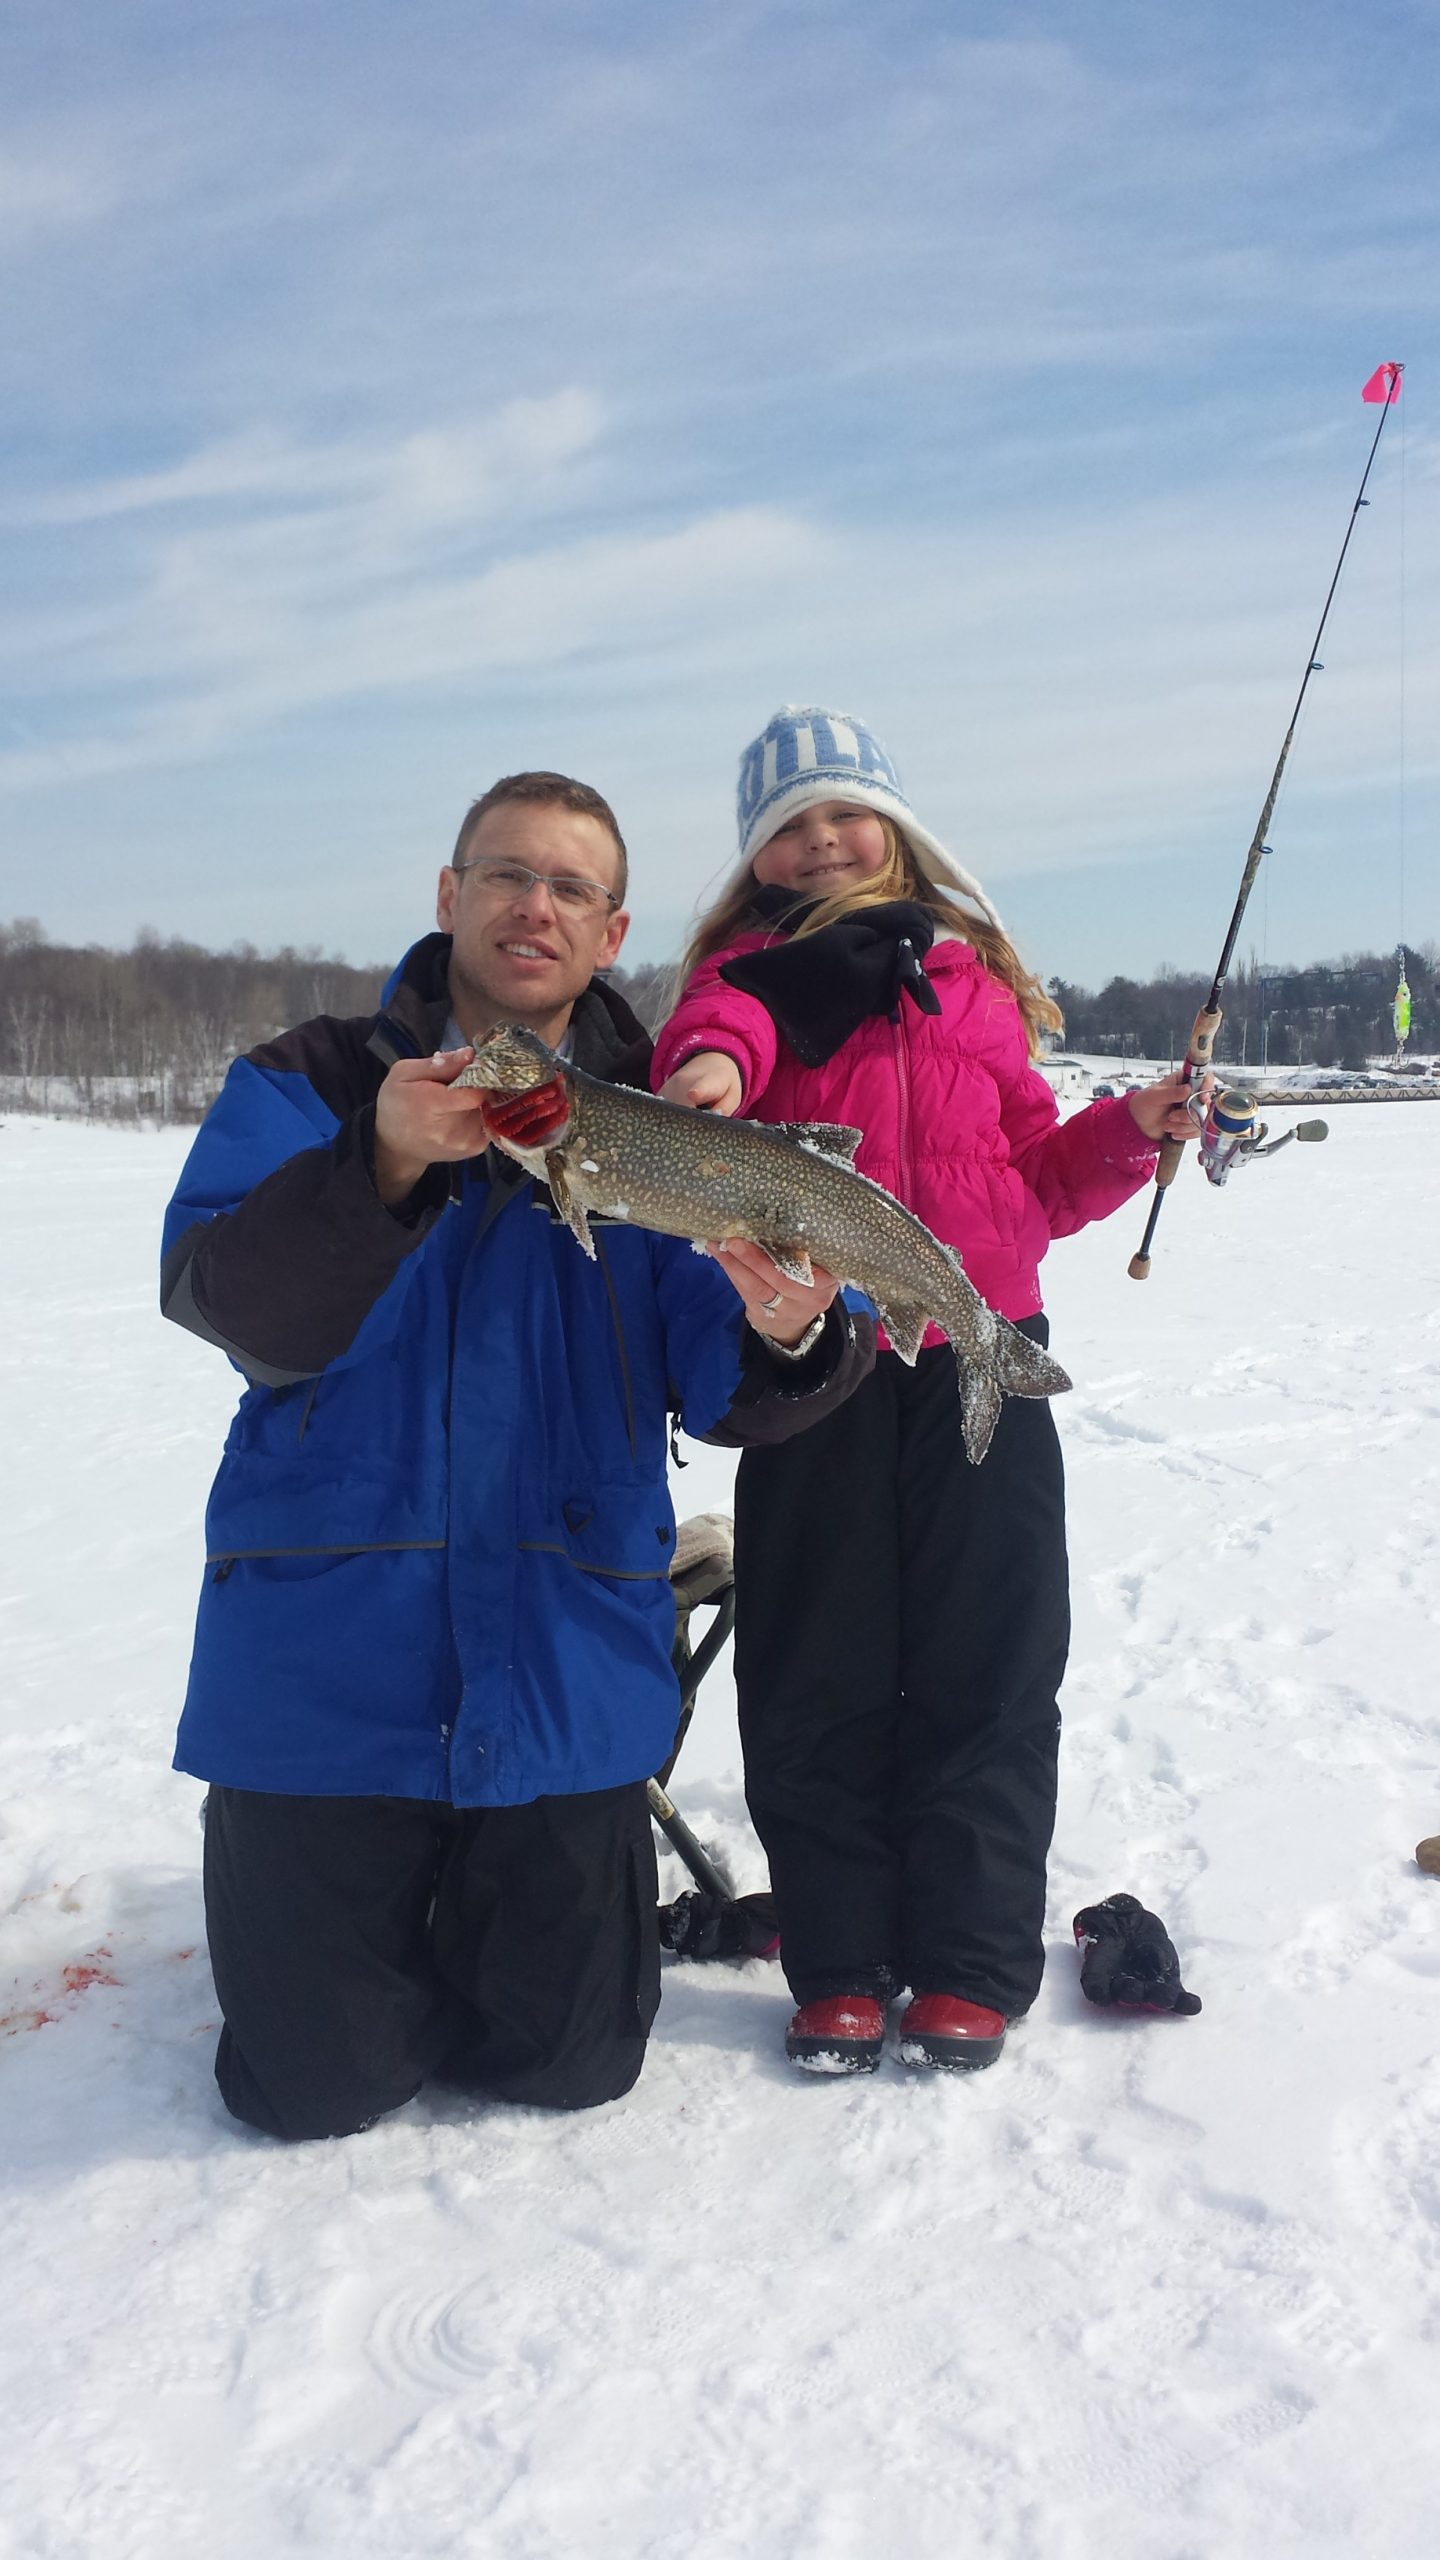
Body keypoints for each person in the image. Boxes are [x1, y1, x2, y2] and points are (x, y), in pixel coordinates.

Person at [161, 769, 874, 2141]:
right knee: (313, 2087)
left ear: (611, 934)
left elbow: (724, 1374)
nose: (531, 906)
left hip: (559, 1664)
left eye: (570, 888)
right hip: (323, 1670)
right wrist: (375, 1162)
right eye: (505, 874)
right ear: (450, 895)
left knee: (569, 2064)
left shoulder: (666, 1122)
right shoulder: (306, 1082)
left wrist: (789, 1331)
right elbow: (231, 1305)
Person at [654, 706, 1207, 2075]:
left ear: (895, 826)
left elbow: (1034, 1179)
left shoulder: (973, 988)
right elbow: (712, 1042)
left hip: (982, 1348)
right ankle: (841, 1964)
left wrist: (1127, 1133)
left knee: (992, 1660)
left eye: (844, 810)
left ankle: (966, 1962)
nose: (824, 837)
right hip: (824, 1359)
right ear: (759, 856)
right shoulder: (752, 974)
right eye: (791, 822)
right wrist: (713, 1070)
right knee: (815, 1667)